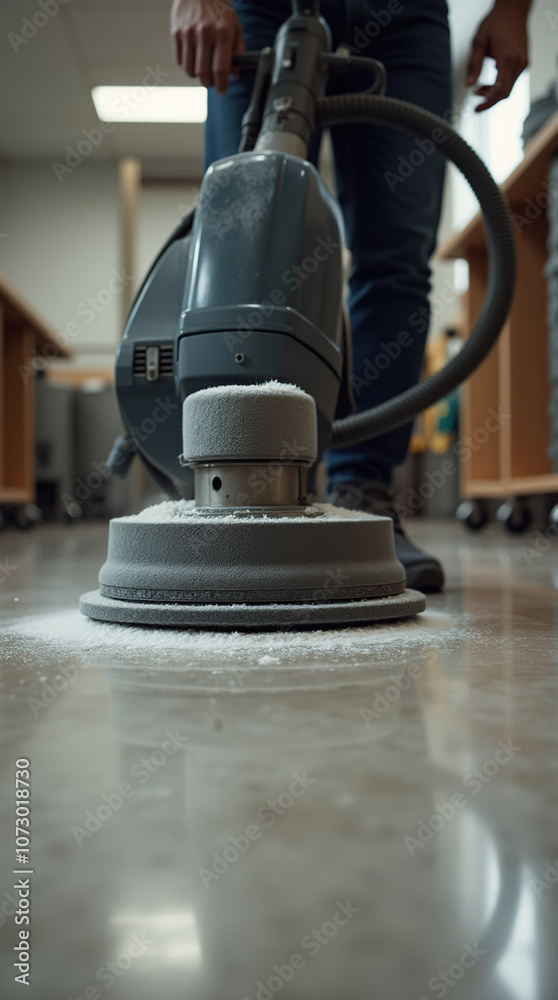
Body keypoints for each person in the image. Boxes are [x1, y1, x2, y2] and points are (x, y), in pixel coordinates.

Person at [170, 0, 530, 591]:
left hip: (405, 18)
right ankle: (237, 483)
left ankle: (365, 497)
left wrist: (514, 8)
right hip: (258, 8)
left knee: (397, 261)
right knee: (244, 242)